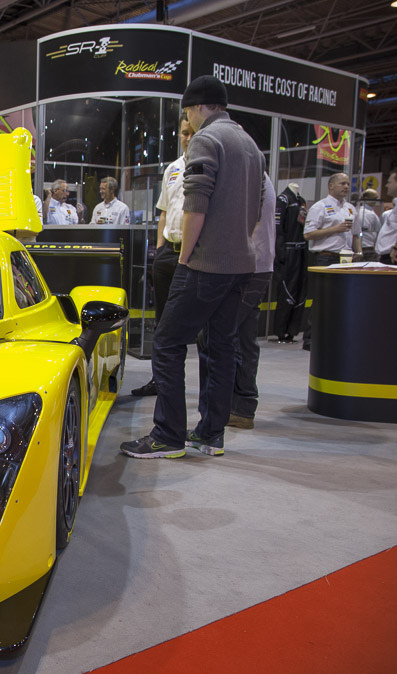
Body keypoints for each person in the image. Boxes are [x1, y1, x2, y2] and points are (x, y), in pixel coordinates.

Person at [120, 75, 264, 459]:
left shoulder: (207, 139)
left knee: (167, 343)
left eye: (188, 112)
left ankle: (167, 435)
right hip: (241, 264)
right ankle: (209, 435)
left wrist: (184, 258)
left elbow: (195, 205)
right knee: (220, 346)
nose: (188, 120)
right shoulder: (250, 145)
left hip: (204, 263)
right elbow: (258, 209)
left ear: (200, 107)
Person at [132, 113, 194, 397]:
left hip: (196, 256)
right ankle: (160, 381)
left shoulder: (209, 165)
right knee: (162, 323)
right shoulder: (172, 169)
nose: (188, 137)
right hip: (168, 252)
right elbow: (164, 212)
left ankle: (203, 395)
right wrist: (158, 250)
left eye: (192, 132)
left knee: (198, 329)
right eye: (184, 132)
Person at [222, 172, 276, 429]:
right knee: (243, 337)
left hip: (247, 264)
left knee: (226, 336)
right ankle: (241, 407)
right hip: (256, 263)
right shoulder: (258, 173)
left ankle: (233, 406)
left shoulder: (249, 174)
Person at [301, 173, 357, 350]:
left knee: (340, 301)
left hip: (346, 259)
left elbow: (356, 234)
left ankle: (334, 337)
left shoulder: (350, 208)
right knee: (320, 300)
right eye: (342, 183)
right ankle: (310, 340)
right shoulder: (320, 207)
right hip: (325, 258)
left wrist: (360, 251)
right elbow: (308, 234)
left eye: (348, 184)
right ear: (331, 186)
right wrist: (335, 229)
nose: (346, 187)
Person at [272, 183, 307, 343]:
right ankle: (281, 330)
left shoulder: (301, 200)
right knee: (286, 290)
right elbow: (277, 227)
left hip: (301, 250)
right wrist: (281, 252)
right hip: (287, 251)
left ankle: (293, 329)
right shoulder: (283, 199)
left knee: (299, 292)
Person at [353, 188, 381, 261]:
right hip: (367, 247)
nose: (375, 200)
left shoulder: (370, 213)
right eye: (374, 198)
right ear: (366, 198)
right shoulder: (365, 213)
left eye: (376, 198)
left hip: (367, 246)